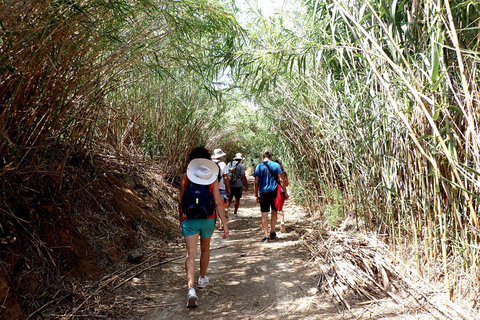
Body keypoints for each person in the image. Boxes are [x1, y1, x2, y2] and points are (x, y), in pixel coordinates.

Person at [179, 147, 229, 308]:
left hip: (190, 219)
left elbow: (181, 202)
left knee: (190, 255)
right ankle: (202, 279)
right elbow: (217, 202)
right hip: (208, 219)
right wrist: (224, 223)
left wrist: (181, 219)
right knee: (205, 249)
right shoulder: (211, 178)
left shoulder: (185, 177)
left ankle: (191, 289)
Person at [253, 150, 289, 243]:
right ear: (271, 156)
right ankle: (272, 231)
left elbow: (256, 182)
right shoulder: (276, 165)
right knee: (274, 212)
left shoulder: (258, 166)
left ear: (262, 156)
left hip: (263, 193)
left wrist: (256, 194)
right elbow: (281, 180)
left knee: (264, 214)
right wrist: (285, 192)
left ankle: (266, 236)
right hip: (275, 192)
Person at [211, 148, 231, 230]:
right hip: (221, 188)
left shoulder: (210, 163)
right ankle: (222, 224)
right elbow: (226, 177)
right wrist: (228, 188)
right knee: (222, 205)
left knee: (212, 206)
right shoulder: (223, 164)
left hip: (211, 188)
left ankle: (212, 223)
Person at [226, 153, 249, 219]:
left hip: (230, 184)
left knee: (229, 199)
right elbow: (243, 176)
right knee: (237, 199)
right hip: (238, 184)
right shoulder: (240, 165)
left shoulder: (229, 164)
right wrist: (246, 185)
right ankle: (235, 214)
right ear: (240, 159)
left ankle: (226, 209)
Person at [276, 160, 289, 233]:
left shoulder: (273, 173)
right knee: (280, 208)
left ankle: (275, 225)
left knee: (275, 209)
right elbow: (286, 184)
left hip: (274, 191)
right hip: (282, 192)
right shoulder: (284, 173)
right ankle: (282, 222)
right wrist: (286, 193)